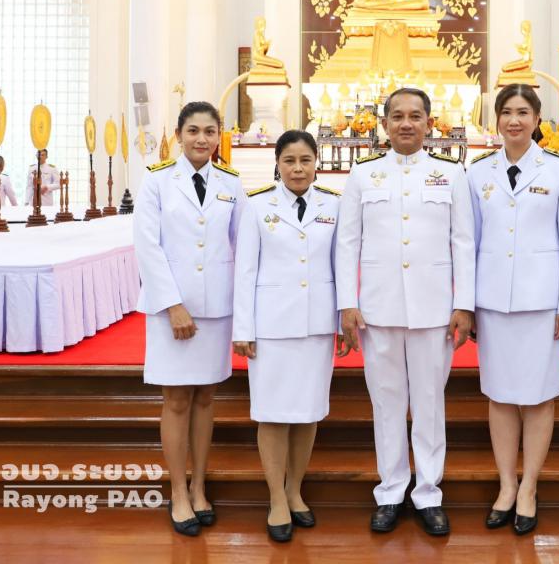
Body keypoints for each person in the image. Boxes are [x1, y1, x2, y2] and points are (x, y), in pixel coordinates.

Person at [335, 87, 475, 537]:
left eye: (416, 116)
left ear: (430, 124)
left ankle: (429, 492)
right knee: (387, 403)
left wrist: (464, 303)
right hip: (378, 308)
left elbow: (463, 243)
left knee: (430, 404)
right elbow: (347, 243)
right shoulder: (363, 174)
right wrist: (347, 302)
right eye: (397, 116)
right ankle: (391, 491)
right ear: (384, 124)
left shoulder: (451, 174)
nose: (406, 123)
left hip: (434, 309)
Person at [467, 84, 559, 535]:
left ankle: (530, 486)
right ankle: (506, 485)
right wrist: (468, 304)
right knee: (499, 395)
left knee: (538, 397)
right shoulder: (477, 172)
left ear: (537, 119)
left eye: (523, 112)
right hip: (493, 301)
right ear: (496, 119)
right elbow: (469, 243)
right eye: (506, 112)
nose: (514, 120)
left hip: (543, 303)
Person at [133, 101, 246, 537]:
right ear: (179, 135)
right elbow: (147, 246)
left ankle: (200, 486)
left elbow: (243, 246)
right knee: (177, 399)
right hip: (171, 310)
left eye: (210, 131)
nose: (202, 139)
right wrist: (172, 304)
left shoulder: (231, 184)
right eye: (193, 130)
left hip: (216, 308)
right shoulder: (157, 181)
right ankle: (178, 491)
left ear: (219, 136)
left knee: (205, 399)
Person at [233, 130, 343, 543]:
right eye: (289, 161)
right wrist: (243, 328)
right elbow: (245, 270)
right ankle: (276, 497)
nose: (298, 169)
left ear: (317, 163)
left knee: (309, 412)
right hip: (272, 326)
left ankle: (295, 490)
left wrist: (341, 321)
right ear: (277, 164)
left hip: (316, 324)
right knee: (273, 413)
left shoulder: (333, 204)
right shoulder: (257, 205)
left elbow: (341, 265)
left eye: (305, 160)